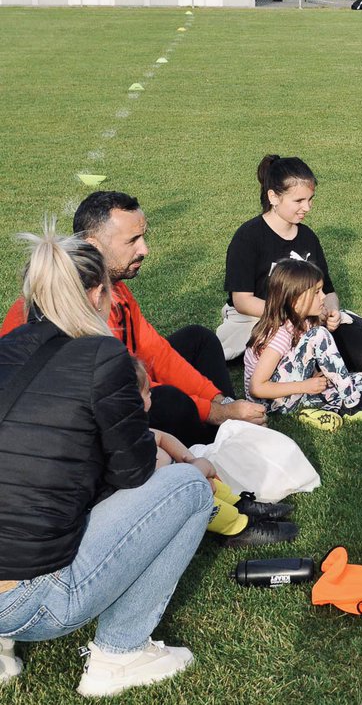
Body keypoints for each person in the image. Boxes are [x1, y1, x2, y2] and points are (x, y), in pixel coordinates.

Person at [0, 226, 211, 698]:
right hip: (32, 602)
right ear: (98, 295)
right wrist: (183, 461)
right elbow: (133, 473)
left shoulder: (5, 349)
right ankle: (119, 654)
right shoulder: (103, 355)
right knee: (189, 487)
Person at [0, 191, 266, 444]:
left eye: (143, 237)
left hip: (112, 387)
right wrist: (214, 412)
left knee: (198, 339)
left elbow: (155, 350)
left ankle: (234, 422)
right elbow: (118, 385)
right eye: (132, 241)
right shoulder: (70, 309)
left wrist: (219, 401)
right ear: (93, 246)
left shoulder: (114, 287)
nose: (144, 249)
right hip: (70, 420)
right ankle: (217, 444)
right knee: (167, 400)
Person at [217, 154, 362, 372]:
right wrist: (290, 313)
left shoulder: (307, 237)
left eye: (310, 199)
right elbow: (242, 301)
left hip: (309, 318)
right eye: (299, 201)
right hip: (259, 318)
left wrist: (332, 311)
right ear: (273, 197)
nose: (307, 207)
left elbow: (328, 291)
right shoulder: (248, 237)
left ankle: (355, 324)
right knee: (265, 360)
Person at [133, 358, 299, 547]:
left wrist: (191, 461)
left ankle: (237, 504)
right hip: (175, 497)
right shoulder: (128, 451)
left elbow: (163, 438)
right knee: (205, 499)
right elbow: (168, 488)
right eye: (147, 392)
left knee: (211, 484)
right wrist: (196, 474)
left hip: (184, 477)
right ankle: (238, 528)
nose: (152, 395)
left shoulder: (138, 428)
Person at [244, 258, 362, 433]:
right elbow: (257, 388)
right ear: (294, 300)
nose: (324, 296)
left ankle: (321, 412)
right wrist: (305, 386)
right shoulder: (280, 333)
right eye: (317, 292)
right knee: (320, 334)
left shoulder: (306, 322)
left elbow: (296, 362)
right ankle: (353, 405)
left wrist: (314, 375)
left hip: (295, 393)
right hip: (270, 402)